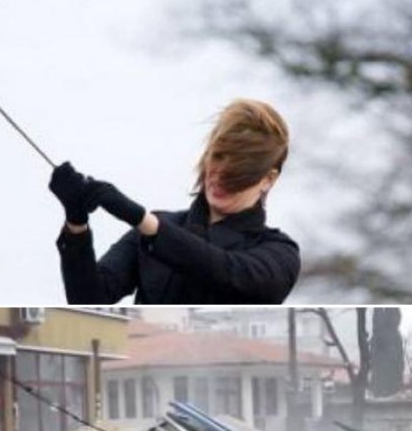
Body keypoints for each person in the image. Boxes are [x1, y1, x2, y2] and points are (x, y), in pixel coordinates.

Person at [48, 99, 300, 304]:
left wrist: (143, 221)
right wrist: (76, 224)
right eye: (218, 158)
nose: (220, 177)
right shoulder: (156, 226)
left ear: (268, 179)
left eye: (237, 174)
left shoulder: (279, 253)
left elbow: (227, 271)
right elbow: (89, 298)